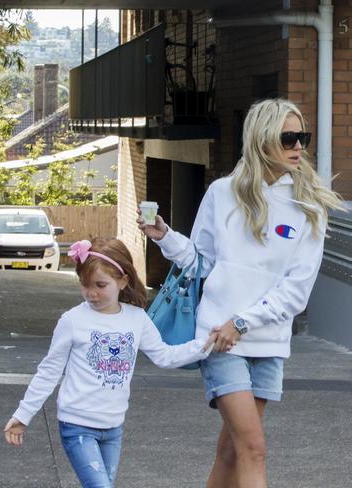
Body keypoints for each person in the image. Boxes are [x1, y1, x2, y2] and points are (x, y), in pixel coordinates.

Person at [138, 98, 344, 488]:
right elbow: (201, 263)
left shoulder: (308, 207)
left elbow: (296, 291)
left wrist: (243, 322)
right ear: (261, 139)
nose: (299, 146)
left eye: (303, 137)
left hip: (266, 342)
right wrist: (165, 237)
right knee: (254, 448)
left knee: (234, 451)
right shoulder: (221, 192)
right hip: (221, 339)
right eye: (289, 137)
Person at [4, 237, 216, 488]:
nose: (91, 293)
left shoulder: (137, 318)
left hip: (113, 426)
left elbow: (164, 355)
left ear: (123, 281)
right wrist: (23, 415)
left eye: (100, 285)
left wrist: (205, 345)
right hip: (77, 425)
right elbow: (49, 371)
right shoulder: (72, 320)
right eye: (84, 285)